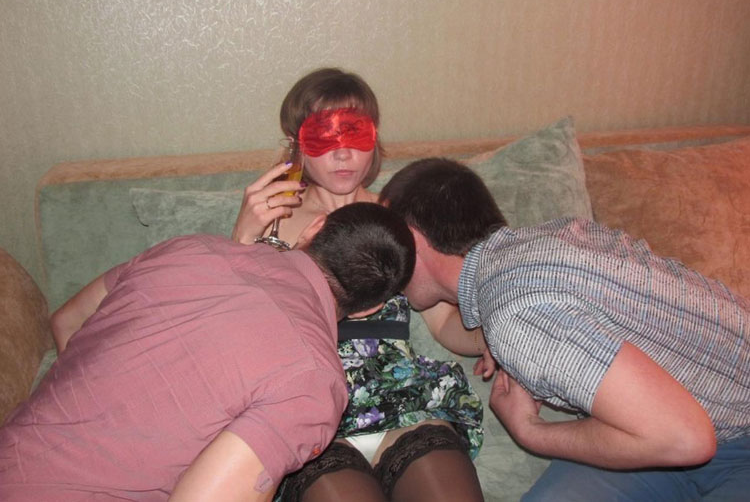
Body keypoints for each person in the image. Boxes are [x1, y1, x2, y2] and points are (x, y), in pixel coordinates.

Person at [379, 157, 750, 501]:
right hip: (659, 432)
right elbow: (449, 320)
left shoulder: (516, 313)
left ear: (411, 241)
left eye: (388, 242)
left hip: (727, 435)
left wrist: (531, 431)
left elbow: (686, 440)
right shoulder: (554, 238)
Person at [0, 202, 415, 501]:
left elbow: (67, 321)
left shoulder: (189, 248)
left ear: (314, 228)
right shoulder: (314, 380)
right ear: (370, 308)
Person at [232, 68, 486, 502]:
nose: (343, 152)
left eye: (355, 133)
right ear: (296, 143)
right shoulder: (271, 220)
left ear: (375, 138)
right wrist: (242, 237)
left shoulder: (401, 218)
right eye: (325, 135)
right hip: (312, 416)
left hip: (405, 405)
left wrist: (496, 337)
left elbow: (444, 323)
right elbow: (230, 331)